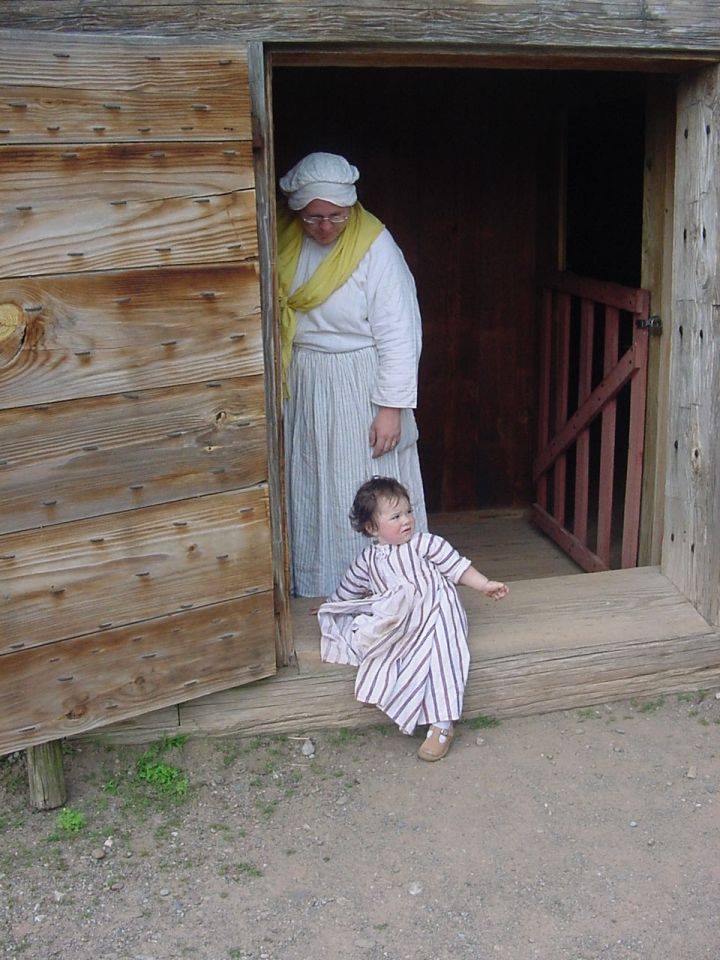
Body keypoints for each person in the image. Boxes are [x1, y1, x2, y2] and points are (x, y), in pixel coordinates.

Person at [278, 151, 427, 597]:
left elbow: (401, 333)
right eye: (314, 217)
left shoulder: (376, 247)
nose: (324, 227)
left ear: (351, 208)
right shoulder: (285, 241)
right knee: (310, 481)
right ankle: (319, 582)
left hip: (359, 383)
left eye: (335, 217)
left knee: (358, 482)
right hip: (305, 378)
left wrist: (391, 408)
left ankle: (374, 585)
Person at [318, 477, 509, 761]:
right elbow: (349, 588)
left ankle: (442, 725)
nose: (406, 520)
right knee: (385, 649)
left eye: (408, 512)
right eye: (395, 516)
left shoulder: (426, 544)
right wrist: (332, 605)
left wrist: (483, 585)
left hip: (438, 610)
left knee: (445, 656)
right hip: (403, 622)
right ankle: (384, 691)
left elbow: (458, 567)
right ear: (372, 528)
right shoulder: (368, 560)